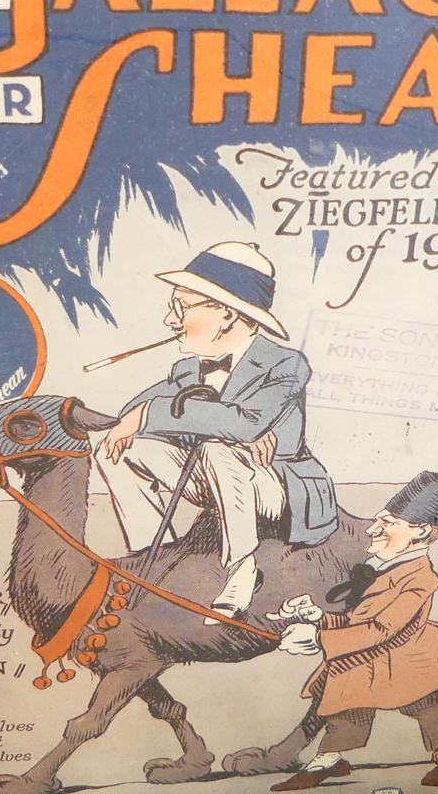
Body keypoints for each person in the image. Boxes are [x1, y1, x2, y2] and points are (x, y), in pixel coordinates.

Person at [95, 241, 337, 622]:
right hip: (214, 477)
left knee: (218, 448)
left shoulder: (286, 364)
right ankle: (154, 554)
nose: (170, 320)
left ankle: (242, 569)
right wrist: (217, 426)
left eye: (181, 307)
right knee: (119, 449)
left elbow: (244, 422)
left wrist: (223, 429)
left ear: (226, 313)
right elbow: (130, 416)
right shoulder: (188, 370)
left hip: (276, 487)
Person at [269, 471, 438, 791]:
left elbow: (381, 629)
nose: (372, 529)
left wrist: (318, 639)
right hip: (369, 657)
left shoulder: (420, 579)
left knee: (420, 701)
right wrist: (319, 617)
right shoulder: (384, 567)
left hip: (399, 658)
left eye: (387, 523)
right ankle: (327, 759)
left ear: (420, 531)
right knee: (346, 701)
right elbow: (358, 619)